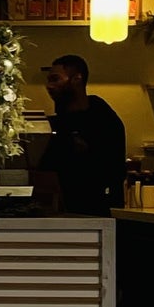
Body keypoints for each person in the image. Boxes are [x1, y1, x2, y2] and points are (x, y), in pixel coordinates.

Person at [38, 55, 127, 215]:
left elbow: (112, 171)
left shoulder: (102, 119)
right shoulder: (58, 121)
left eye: (55, 79)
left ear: (77, 79)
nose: (49, 86)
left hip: (93, 210)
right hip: (59, 210)